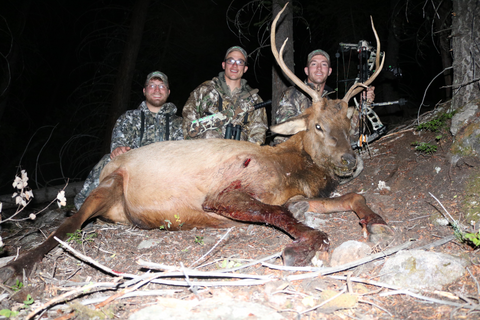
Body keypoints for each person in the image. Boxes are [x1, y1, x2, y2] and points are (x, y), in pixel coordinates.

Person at [74, 71, 183, 210]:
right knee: (108, 160)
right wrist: (119, 148)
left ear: (168, 92)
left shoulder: (179, 123)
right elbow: (119, 142)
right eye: (152, 85)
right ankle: (83, 210)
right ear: (144, 91)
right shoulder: (129, 118)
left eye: (161, 86)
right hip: (135, 172)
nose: (157, 90)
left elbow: (183, 153)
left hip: (167, 174)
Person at [274, 49, 375, 143]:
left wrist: (362, 107)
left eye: (324, 64)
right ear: (306, 70)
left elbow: (352, 137)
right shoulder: (292, 94)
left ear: (329, 71)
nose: (319, 68)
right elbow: (285, 130)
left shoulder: (330, 103)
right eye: (314, 64)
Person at [182, 46, 268, 144]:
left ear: (245, 68)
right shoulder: (204, 90)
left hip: (238, 156)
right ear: (223, 65)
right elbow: (187, 122)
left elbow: (258, 133)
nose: (235, 65)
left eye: (240, 62)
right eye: (230, 61)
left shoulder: (255, 99)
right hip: (206, 155)